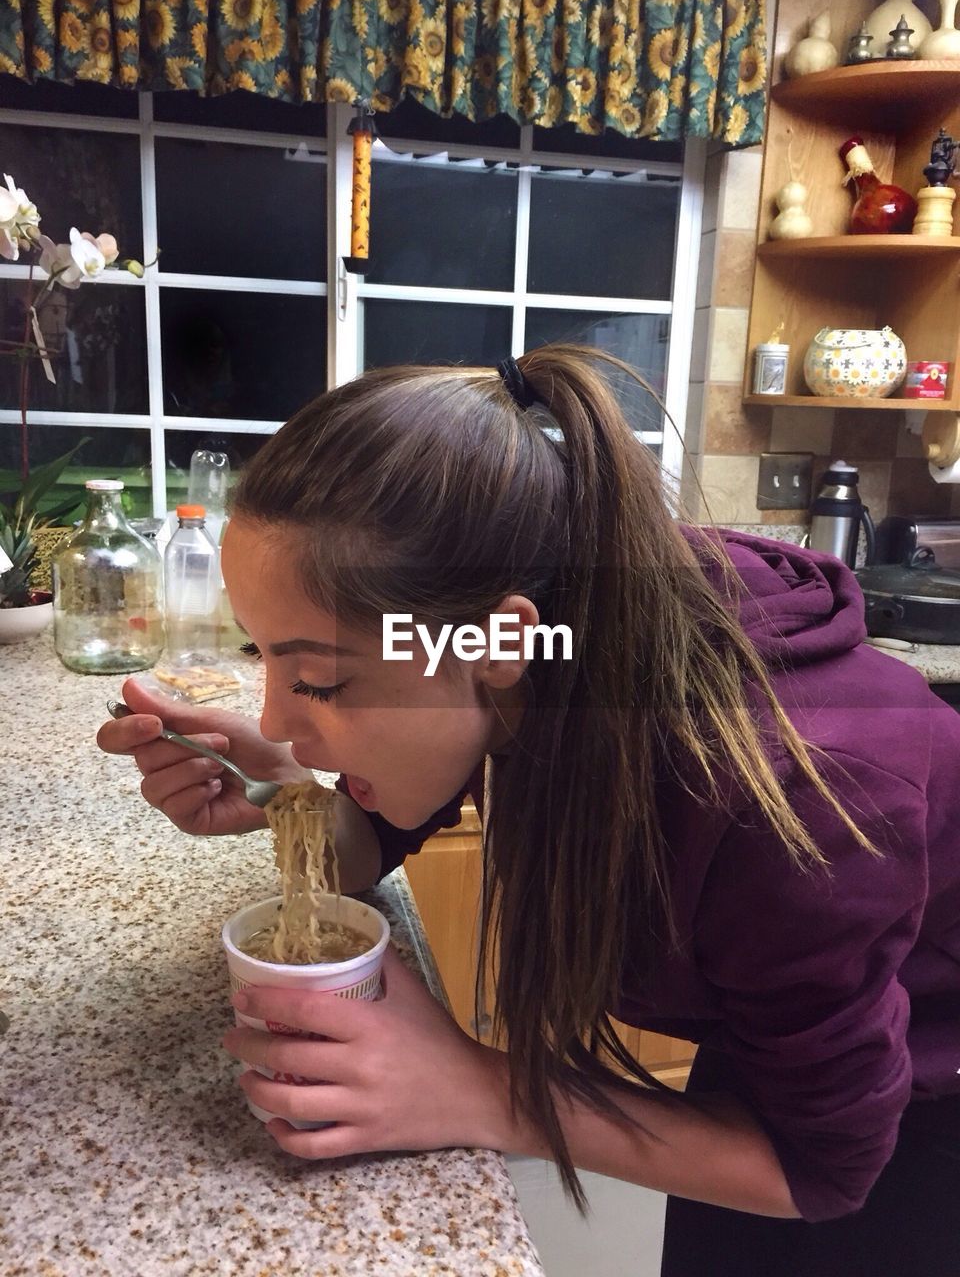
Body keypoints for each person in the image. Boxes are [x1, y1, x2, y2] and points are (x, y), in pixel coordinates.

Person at [97, 346, 960, 1277]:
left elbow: (819, 1170)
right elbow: (373, 835)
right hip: (780, 1052)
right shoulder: (547, 649)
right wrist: (289, 795)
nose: (272, 716)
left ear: (495, 636)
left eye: (318, 680)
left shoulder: (788, 796)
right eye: (266, 659)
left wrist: (479, 1088)